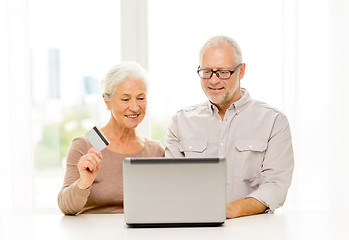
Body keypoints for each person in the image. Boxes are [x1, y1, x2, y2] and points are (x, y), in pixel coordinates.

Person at [165, 35, 294, 218]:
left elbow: (275, 187)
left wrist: (229, 211)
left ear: (241, 71)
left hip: (253, 230)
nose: (214, 80)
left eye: (223, 72)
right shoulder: (180, 121)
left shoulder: (274, 121)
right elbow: (172, 184)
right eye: (207, 71)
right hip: (194, 228)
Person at [58, 62, 165, 215]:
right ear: (106, 100)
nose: (135, 107)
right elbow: (65, 207)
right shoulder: (85, 144)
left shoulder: (155, 150)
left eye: (141, 98)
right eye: (125, 99)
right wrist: (83, 183)